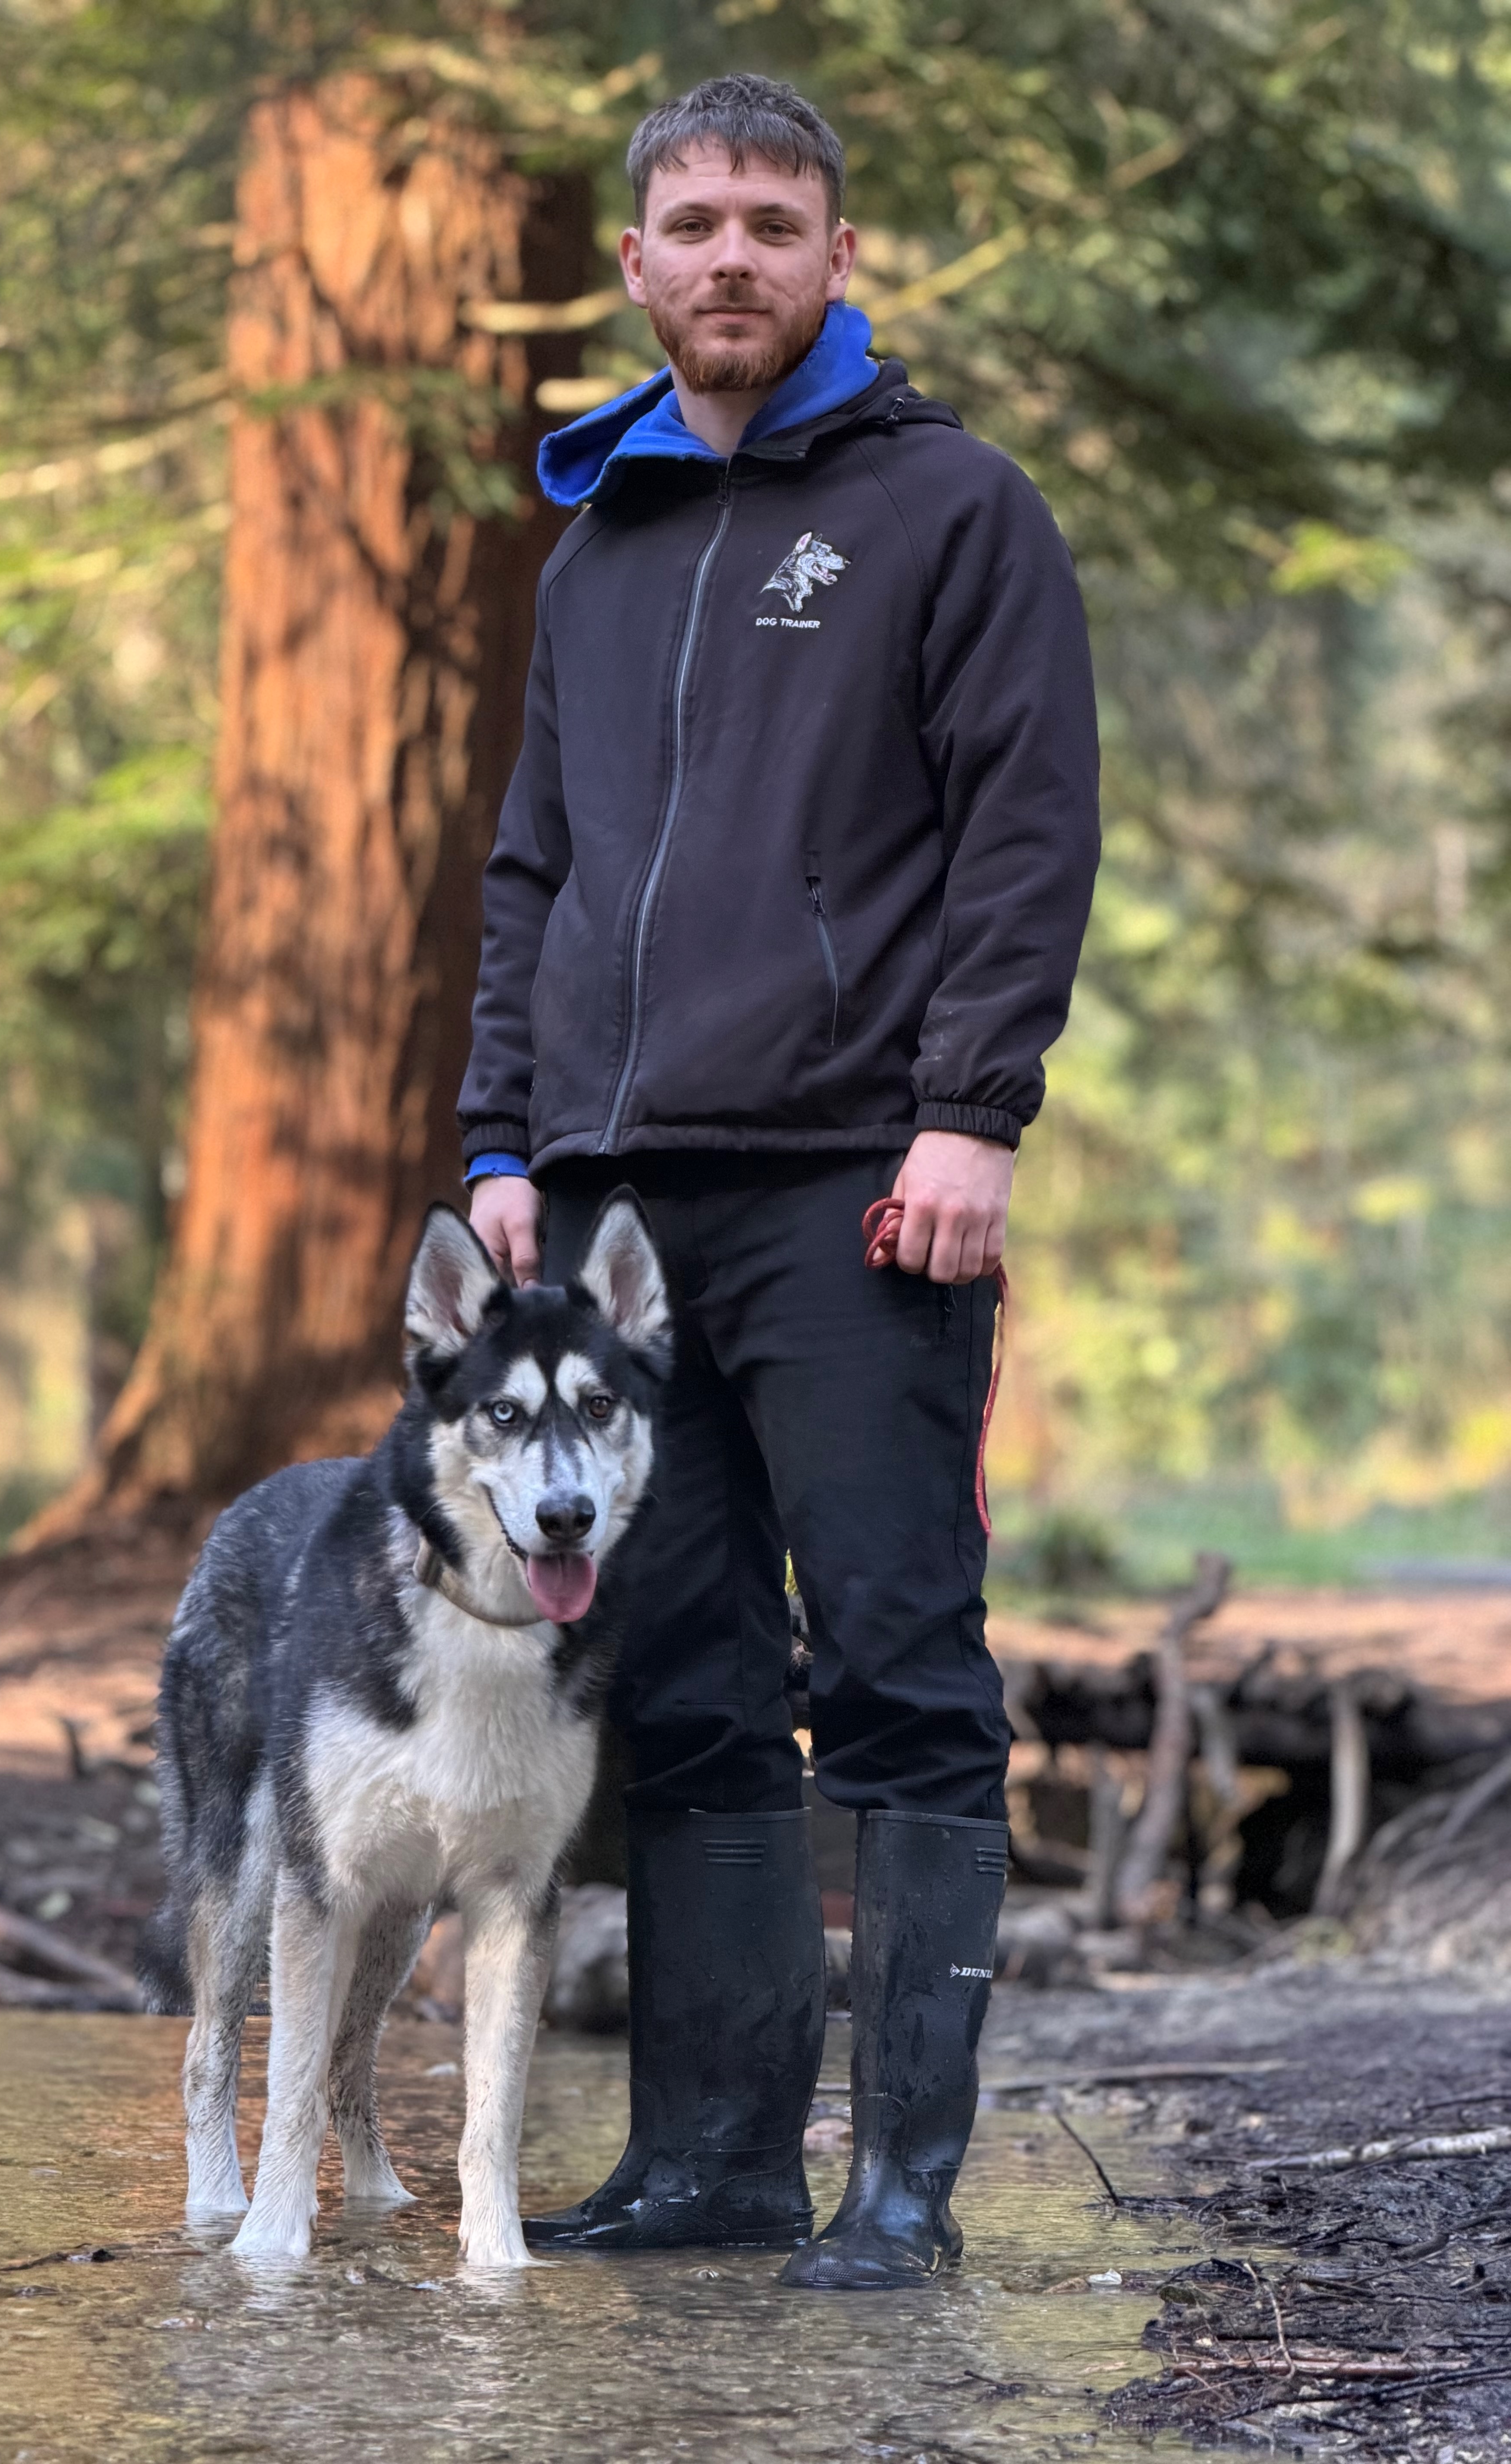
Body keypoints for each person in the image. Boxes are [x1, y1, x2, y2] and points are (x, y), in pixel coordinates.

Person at [458, 73, 1100, 2291]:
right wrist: (502, 1142)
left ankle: (901, 2189)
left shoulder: (955, 512)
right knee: (696, 1681)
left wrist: (972, 1112)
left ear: (841, 260)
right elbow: (535, 868)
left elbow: (1025, 828)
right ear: (632, 267)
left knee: (901, 1672)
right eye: (695, 223)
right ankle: (717, 2162)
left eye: (774, 223)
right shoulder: (600, 542)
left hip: (858, 1185)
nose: (731, 257)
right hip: (623, 1215)